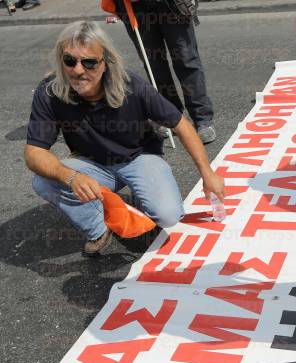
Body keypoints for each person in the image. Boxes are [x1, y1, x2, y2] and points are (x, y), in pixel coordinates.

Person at [25, 21, 225, 257]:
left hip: (139, 157)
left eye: (89, 62)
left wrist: (207, 174)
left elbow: (181, 124)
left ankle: (137, 198)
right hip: (91, 164)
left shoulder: (132, 85)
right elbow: (34, 152)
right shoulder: (50, 91)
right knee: (43, 181)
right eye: (70, 60)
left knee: (168, 215)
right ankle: (98, 229)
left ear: (105, 63)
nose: (78, 70)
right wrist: (71, 176)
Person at [114, 0, 217, 144]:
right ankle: (170, 116)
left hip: (171, 4)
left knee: (186, 59)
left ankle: (202, 118)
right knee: (154, 63)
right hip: (134, 6)